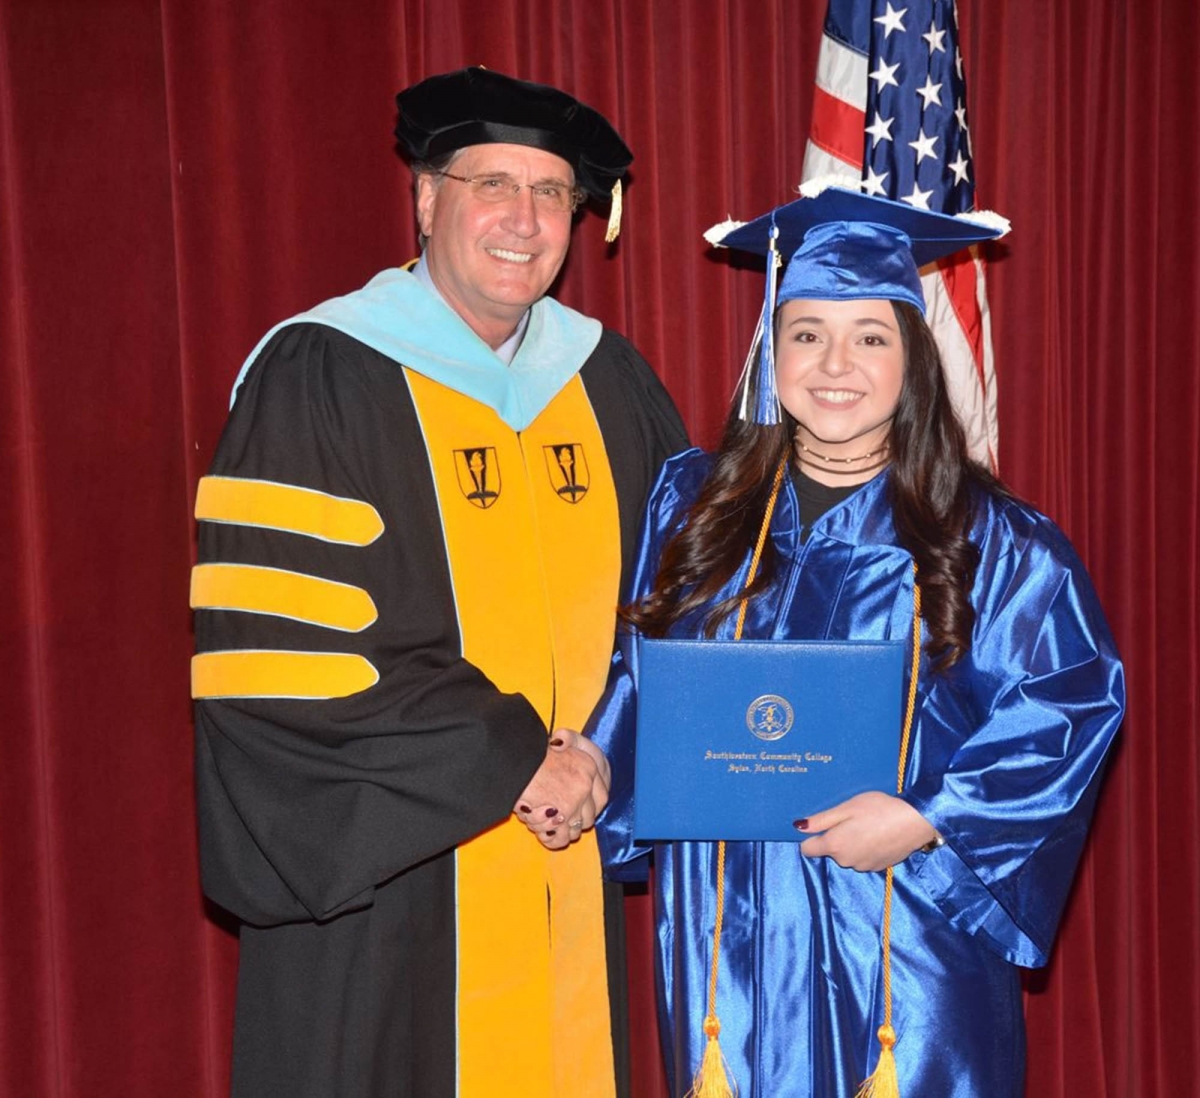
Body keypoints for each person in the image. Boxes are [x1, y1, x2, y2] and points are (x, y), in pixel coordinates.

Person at [190, 67, 687, 1098]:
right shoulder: (322, 374)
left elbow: (676, 613)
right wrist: (512, 760)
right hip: (397, 887)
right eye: (490, 183)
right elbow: (286, 654)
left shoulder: (610, 383)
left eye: (553, 193)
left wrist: (605, 757)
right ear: (425, 198)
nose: (525, 217)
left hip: (568, 863)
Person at [589, 185, 1124, 1097]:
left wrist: (929, 820)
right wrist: (592, 767)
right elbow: (641, 680)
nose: (836, 364)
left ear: (912, 359)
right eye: (807, 334)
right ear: (772, 349)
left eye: (871, 338)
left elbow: (1068, 709)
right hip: (730, 933)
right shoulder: (695, 505)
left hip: (905, 933)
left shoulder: (996, 538)